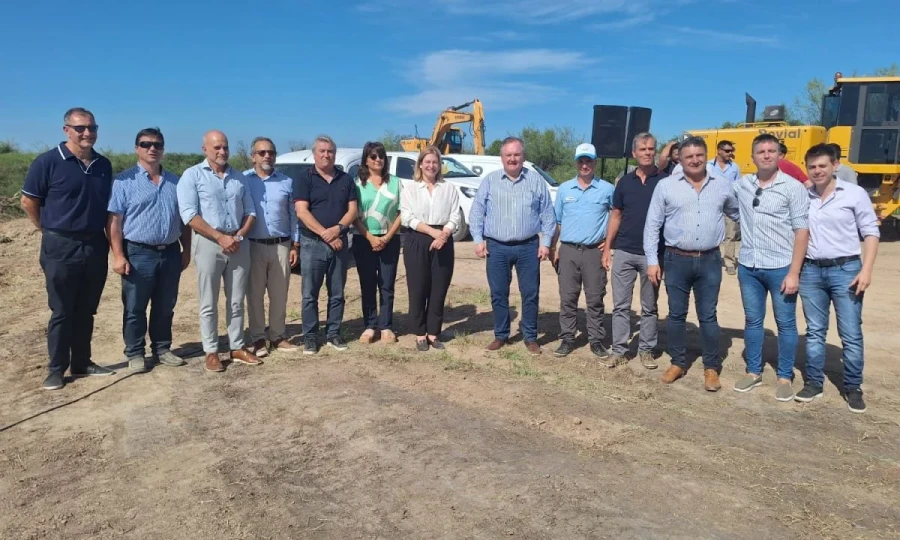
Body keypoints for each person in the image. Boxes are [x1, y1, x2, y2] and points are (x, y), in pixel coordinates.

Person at [21, 107, 115, 390]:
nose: (87, 133)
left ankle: (82, 361)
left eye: (92, 128)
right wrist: (46, 229)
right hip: (60, 244)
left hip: (94, 244)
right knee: (62, 309)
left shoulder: (103, 165)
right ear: (66, 130)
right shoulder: (48, 162)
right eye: (80, 128)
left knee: (87, 308)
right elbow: (29, 202)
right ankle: (56, 368)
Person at [644, 136, 740, 392]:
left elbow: (736, 212)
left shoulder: (722, 185)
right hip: (676, 260)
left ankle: (711, 367)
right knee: (676, 315)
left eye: (699, 155)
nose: (695, 160)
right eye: (689, 156)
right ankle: (677, 362)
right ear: (681, 159)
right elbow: (652, 224)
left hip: (709, 260)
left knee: (708, 316)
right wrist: (653, 261)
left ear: (705, 156)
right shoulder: (666, 186)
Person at [797, 144, 880, 413]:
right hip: (811, 270)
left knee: (851, 333)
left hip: (846, 270)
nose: (817, 170)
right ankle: (813, 383)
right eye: (812, 166)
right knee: (814, 332)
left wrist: (866, 269)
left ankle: (853, 386)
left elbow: (870, 232)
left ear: (835, 165)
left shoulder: (854, 194)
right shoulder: (803, 196)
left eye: (823, 165)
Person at [731, 133, 810, 401]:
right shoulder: (742, 185)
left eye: (771, 151)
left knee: (785, 323)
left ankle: (785, 376)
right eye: (761, 151)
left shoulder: (793, 188)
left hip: (780, 267)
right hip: (749, 267)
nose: (766, 155)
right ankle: (753, 372)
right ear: (752, 157)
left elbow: (802, 231)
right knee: (753, 321)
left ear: (780, 155)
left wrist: (794, 272)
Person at [107, 127, 190, 373]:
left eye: (157, 144)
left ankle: (162, 348)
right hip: (138, 252)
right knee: (135, 307)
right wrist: (118, 255)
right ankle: (135, 353)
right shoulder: (123, 181)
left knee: (165, 305)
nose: (152, 148)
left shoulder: (176, 182)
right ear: (137, 148)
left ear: (163, 149)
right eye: (146, 144)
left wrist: (186, 251)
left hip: (170, 252)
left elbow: (186, 220)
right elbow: (114, 222)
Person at [177, 130, 260, 372]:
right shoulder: (192, 176)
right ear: (205, 149)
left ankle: (236, 346)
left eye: (225, 147)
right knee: (208, 301)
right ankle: (211, 351)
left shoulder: (239, 178)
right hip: (208, 243)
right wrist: (219, 237)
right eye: (216, 147)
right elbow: (189, 214)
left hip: (237, 242)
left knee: (236, 300)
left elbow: (250, 211)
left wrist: (238, 235)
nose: (222, 151)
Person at [469, 137, 556, 355]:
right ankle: (501, 335)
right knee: (498, 293)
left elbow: (548, 214)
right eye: (508, 155)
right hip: (496, 247)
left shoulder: (535, 181)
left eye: (517, 154)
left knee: (530, 293)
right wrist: (478, 240)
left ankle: (530, 336)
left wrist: (545, 243)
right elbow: (477, 212)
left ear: (523, 157)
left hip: (528, 247)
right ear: (502, 158)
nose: (513, 159)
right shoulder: (490, 181)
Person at [602, 133, 667, 369]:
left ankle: (646, 350)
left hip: (652, 256)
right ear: (634, 153)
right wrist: (608, 247)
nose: (648, 152)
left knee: (649, 306)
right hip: (625, 252)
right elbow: (616, 215)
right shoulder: (624, 183)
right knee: (620, 305)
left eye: (651, 148)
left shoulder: (665, 181)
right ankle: (619, 349)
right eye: (643, 149)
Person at [550, 143, 614, 360]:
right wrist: (552, 247)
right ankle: (568, 338)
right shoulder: (565, 189)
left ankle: (596, 340)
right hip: (568, 251)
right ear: (576, 163)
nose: (585, 165)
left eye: (589, 161)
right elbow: (557, 221)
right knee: (567, 298)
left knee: (595, 298)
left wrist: (609, 241)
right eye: (581, 161)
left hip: (593, 252)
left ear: (595, 162)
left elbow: (617, 217)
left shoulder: (607, 189)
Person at [294, 135, 358, 355]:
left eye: (330, 151)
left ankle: (333, 334)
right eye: (321, 151)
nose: (326, 155)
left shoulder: (345, 180)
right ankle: (310, 337)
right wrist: (325, 234)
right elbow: (302, 211)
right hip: (312, 244)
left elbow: (352, 211)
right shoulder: (305, 179)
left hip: (340, 244)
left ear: (334, 153)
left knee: (337, 293)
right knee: (309, 294)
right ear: (314, 154)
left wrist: (338, 229)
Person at [400, 146, 460, 351]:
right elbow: (407, 217)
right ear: (420, 164)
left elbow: (455, 216)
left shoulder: (449, 188)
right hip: (418, 239)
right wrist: (434, 234)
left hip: (444, 240)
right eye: (427, 162)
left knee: (439, 287)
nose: (431, 166)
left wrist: (443, 235)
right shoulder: (410, 188)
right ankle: (419, 333)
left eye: (435, 162)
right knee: (418, 287)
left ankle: (434, 332)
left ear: (439, 165)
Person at [244, 137, 299, 358]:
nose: (267, 156)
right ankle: (257, 338)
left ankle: (277, 335)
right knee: (254, 294)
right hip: (253, 245)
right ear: (253, 156)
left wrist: (296, 244)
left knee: (279, 294)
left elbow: (294, 216)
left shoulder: (287, 182)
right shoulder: (244, 181)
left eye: (271, 152)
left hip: (281, 245)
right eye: (262, 152)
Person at [352, 141, 403, 344]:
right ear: (366, 160)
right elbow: (353, 215)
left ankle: (386, 326)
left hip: (390, 239)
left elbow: (402, 212)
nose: (378, 160)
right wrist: (370, 237)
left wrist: (388, 236)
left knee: (387, 284)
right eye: (373, 156)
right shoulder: (357, 184)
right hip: (364, 239)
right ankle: (370, 325)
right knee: (368, 284)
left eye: (381, 156)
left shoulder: (396, 182)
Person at [709, 140, 742, 275]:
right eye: (727, 151)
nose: (730, 153)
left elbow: (738, 185)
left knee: (730, 235)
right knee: (711, 234)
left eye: (731, 151)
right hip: (712, 205)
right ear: (719, 151)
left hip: (729, 205)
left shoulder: (734, 167)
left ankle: (729, 262)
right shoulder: (708, 166)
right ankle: (711, 261)